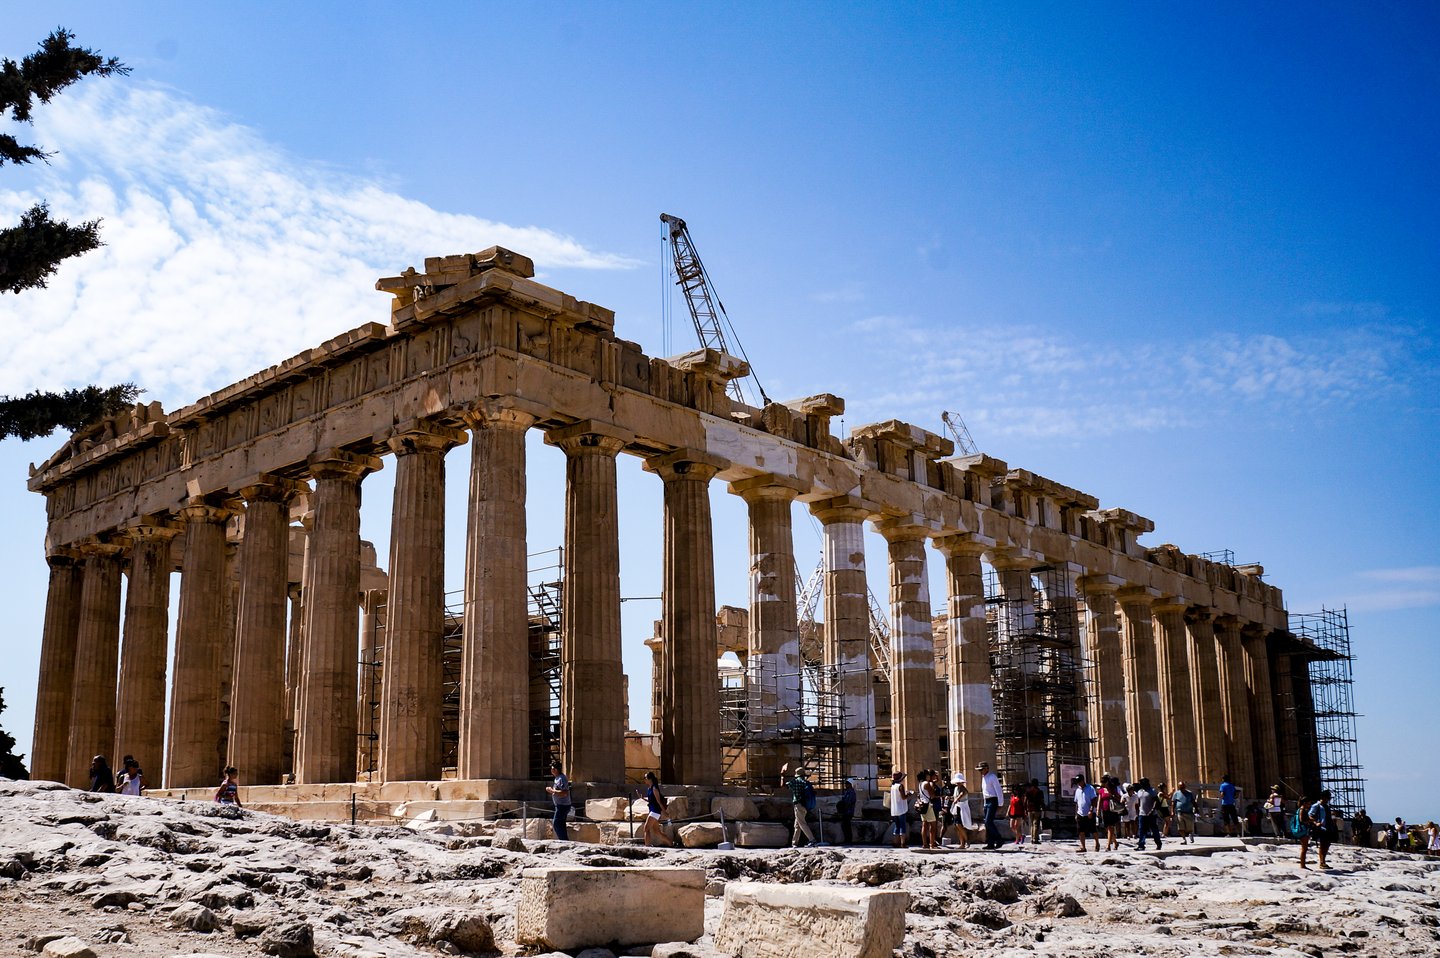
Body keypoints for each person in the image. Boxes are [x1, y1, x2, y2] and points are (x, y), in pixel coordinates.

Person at [1300, 789, 1334, 869]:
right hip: (1321, 827)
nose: (1328, 800)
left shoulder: (1326, 806)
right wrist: (1316, 823)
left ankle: (1324, 861)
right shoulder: (1316, 806)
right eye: (1327, 798)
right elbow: (1310, 815)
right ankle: (1322, 862)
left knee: (1327, 844)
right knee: (1322, 844)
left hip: (1328, 827)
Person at [641, 770, 675, 847]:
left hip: (655, 811)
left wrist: (664, 812)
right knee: (656, 831)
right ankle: (670, 843)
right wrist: (643, 799)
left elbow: (658, 801)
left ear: (650, 779)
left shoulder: (654, 788)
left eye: (645, 778)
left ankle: (647, 845)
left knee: (646, 828)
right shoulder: (649, 788)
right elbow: (651, 801)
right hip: (652, 810)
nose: (644, 779)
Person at [787, 767, 817, 847]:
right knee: (797, 825)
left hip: (798, 805)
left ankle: (812, 840)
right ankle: (794, 843)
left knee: (802, 824)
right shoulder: (806, 783)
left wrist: (782, 775)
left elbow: (783, 785)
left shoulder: (795, 782)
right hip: (805, 805)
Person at [978, 762, 1004, 849]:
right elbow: (984, 792)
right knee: (987, 823)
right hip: (987, 800)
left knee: (988, 822)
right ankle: (990, 843)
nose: (980, 771)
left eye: (982, 769)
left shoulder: (992, 777)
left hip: (993, 800)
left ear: (986, 769)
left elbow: (998, 790)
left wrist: (1000, 803)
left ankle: (999, 839)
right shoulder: (983, 778)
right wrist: (984, 803)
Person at [546, 760, 572, 841]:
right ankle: (564, 840)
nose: (552, 770)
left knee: (556, 824)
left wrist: (552, 791)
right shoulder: (557, 778)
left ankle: (564, 841)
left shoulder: (562, 778)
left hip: (563, 805)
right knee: (561, 824)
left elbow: (565, 793)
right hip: (560, 805)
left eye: (553, 769)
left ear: (557, 769)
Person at [1073, 774, 1098, 852]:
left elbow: (1094, 800)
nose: (1078, 783)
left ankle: (1097, 843)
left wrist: (1091, 810)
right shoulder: (1077, 790)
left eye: (1079, 782)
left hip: (1089, 812)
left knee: (1093, 829)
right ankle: (1083, 847)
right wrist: (1076, 814)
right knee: (1080, 831)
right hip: (1080, 813)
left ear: (1083, 781)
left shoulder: (1090, 788)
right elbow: (1077, 803)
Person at [1135, 778, 1162, 850]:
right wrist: (1138, 811)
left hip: (1151, 814)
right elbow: (1139, 802)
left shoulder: (1152, 791)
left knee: (1154, 829)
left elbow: (1156, 801)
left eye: (1142, 782)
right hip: (1142, 813)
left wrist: (1152, 810)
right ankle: (1141, 845)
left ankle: (1158, 843)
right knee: (1142, 829)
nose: (1141, 784)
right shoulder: (1139, 791)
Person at [947, 773, 971, 848]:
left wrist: (957, 799)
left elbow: (962, 794)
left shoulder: (963, 789)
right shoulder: (956, 789)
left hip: (962, 808)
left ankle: (967, 840)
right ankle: (962, 843)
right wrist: (950, 798)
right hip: (957, 808)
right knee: (957, 826)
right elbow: (955, 797)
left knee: (959, 824)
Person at [888, 771, 911, 848]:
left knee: (897, 826)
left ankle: (895, 842)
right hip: (901, 808)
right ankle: (902, 843)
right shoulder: (900, 786)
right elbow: (903, 797)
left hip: (894, 809)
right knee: (902, 826)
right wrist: (909, 794)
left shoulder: (892, 786)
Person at [1100, 777, 1122, 851]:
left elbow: (1119, 798)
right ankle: (1115, 842)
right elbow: (1100, 800)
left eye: (1103, 782)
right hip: (1104, 810)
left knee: (1111, 827)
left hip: (1112, 810)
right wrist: (1098, 810)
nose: (1102, 783)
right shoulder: (1102, 790)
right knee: (1107, 827)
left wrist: (1112, 796)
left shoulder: (1113, 789)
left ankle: (1108, 845)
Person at [836, 778, 857, 845]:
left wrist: (842, 806)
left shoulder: (851, 793)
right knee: (844, 826)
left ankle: (848, 840)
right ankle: (846, 840)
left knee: (847, 827)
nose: (846, 785)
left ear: (851, 784)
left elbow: (848, 802)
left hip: (848, 812)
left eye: (847, 783)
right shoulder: (847, 792)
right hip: (845, 812)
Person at [1024, 778, 1045, 845]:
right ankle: (1035, 839)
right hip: (1037, 809)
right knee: (1036, 824)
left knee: (1031, 824)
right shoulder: (1040, 792)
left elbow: (1025, 801)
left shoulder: (1028, 792)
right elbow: (1042, 801)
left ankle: (1032, 838)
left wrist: (1025, 809)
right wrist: (1044, 808)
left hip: (1030, 809)